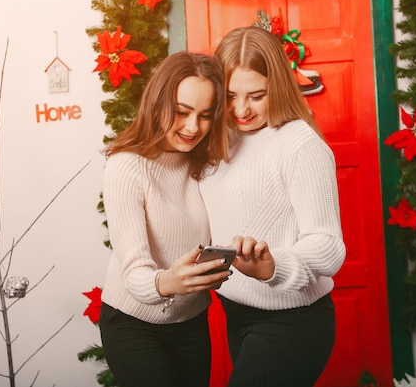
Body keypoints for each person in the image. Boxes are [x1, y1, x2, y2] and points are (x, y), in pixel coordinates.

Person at [200, 26, 347, 386]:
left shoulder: (299, 144)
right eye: (231, 96)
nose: (241, 109)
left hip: (291, 322)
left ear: (278, 86)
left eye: (256, 95)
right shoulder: (219, 139)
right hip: (235, 313)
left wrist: (273, 266)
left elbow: (329, 247)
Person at [99, 51, 231, 387]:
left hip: (191, 322)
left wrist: (211, 272)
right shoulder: (126, 167)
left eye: (204, 116)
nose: (192, 128)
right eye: (181, 112)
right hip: (133, 325)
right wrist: (169, 282)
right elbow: (135, 273)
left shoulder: (206, 165)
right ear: (157, 103)